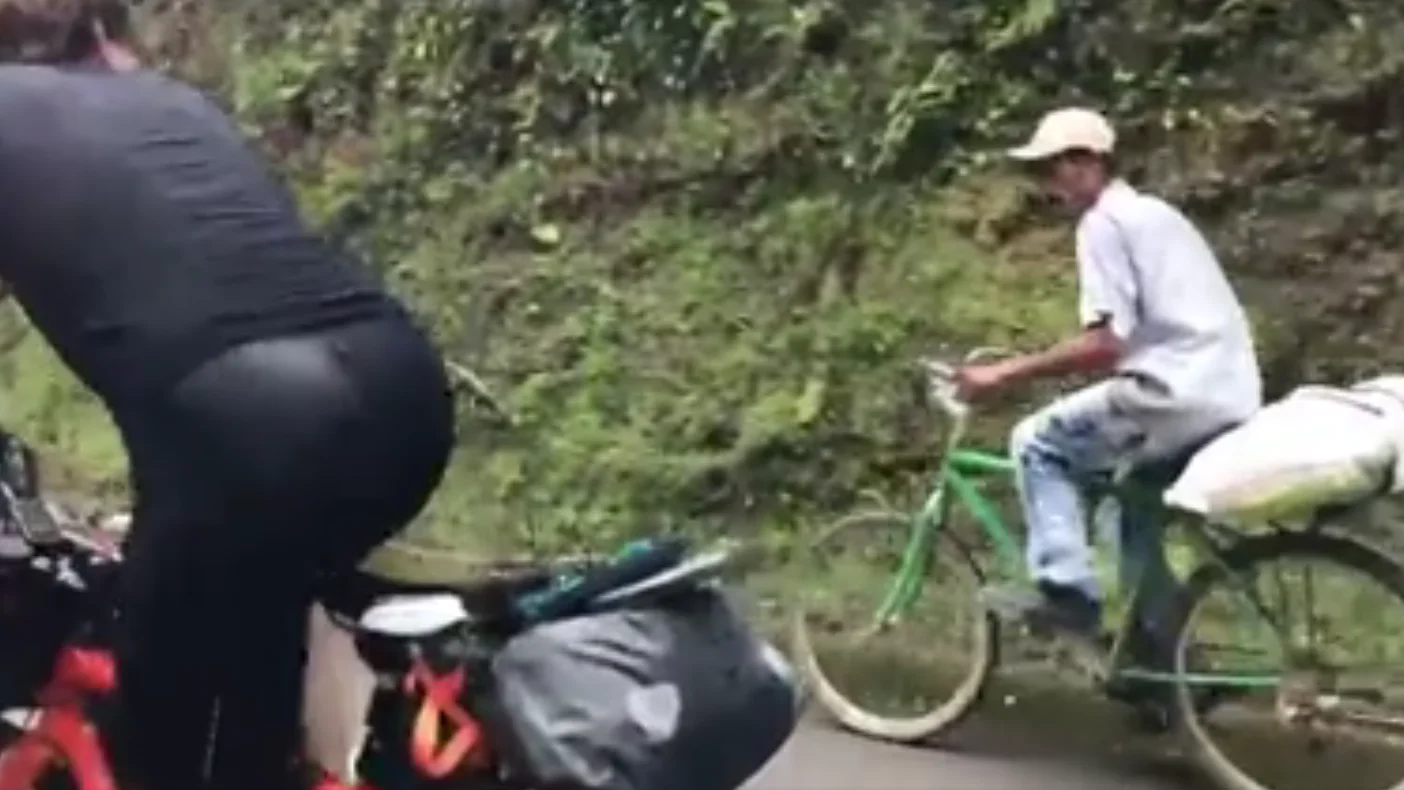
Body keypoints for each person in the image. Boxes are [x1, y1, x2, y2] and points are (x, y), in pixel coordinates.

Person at [0, 3, 455, 790]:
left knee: (164, 717)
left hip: (246, 430)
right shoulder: (169, 101)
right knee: (253, 629)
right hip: (404, 388)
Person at [956, 107, 1261, 656]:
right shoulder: (1156, 215)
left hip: (1172, 391)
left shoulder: (1104, 224)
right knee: (1131, 504)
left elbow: (1104, 345)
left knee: (1037, 444)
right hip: (1227, 392)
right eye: (1046, 172)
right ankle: (1163, 654)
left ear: (1089, 162)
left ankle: (1067, 592)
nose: (1053, 185)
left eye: (1057, 168)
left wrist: (1004, 373)